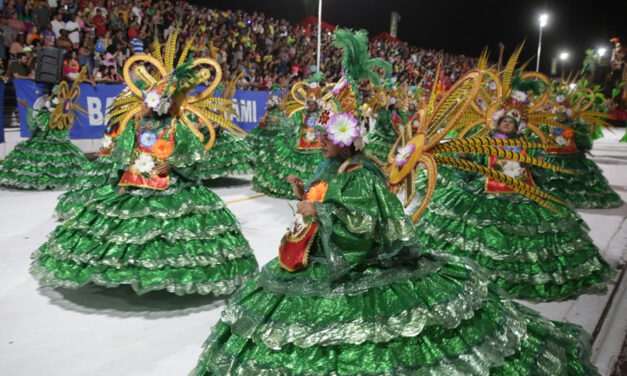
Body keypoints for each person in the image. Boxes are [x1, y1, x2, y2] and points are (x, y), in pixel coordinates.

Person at [190, 29, 600, 376]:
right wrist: (305, 196)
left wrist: (322, 211)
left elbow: (364, 224)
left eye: (324, 136)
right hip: (317, 255)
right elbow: (324, 198)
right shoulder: (328, 168)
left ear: (344, 138)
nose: (317, 141)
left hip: (357, 265)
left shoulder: (363, 173)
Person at [32, 53, 258, 296]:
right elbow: (125, 156)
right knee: (125, 229)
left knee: (169, 235)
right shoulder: (134, 127)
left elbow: (193, 159)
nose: (141, 106)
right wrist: (120, 182)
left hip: (171, 187)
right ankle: (128, 271)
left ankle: (162, 273)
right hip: (135, 184)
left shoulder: (177, 128)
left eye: (146, 103)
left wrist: (172, 165)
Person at [0, 76, 88, 189]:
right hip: (58, 139)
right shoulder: (64, 112)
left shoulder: (50, 113)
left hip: (50, 137)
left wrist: (27, 106)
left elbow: (37, 123)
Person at [251, 73, 326, 198]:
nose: (310, 104)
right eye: (309, 102)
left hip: (317, 148)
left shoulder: (323, 115)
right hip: (300, 144)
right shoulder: (301, 113)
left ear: (318, 102)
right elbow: (291, 123)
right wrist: (279, 120)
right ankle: (297, 189)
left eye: (313, 102)